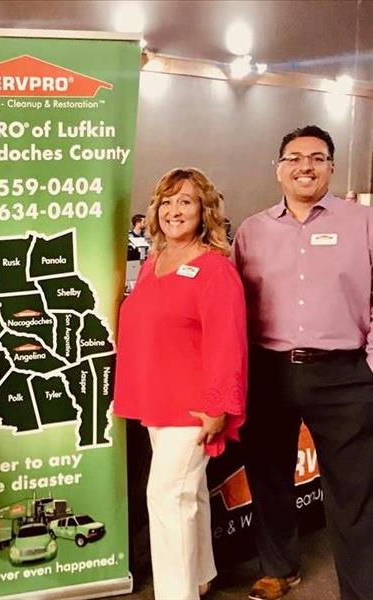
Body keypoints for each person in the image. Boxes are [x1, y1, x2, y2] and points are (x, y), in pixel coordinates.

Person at [234, 125, 373, 600]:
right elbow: (235, 305)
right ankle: (279, 568)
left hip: (344, 374)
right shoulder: (252, 230)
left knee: (354, 490)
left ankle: (360, 586)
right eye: (294, 157)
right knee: (268, 476)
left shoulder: (363, 222)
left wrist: (370, 364)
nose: (305, 166)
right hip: (268, 370)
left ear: (331, 167)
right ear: (279, 169)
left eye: (316, 157)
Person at [114, 167, 247, 600]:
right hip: (157, 400)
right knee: (189, 496)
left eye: (185, 201)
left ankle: (176, 593)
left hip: (194, 407)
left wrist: (219, 405)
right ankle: (201, 577)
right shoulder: (154, 263)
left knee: (167, 498)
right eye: (167, 201)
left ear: (204, 210)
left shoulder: (214, 270)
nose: (174, 210)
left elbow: (228, 342)